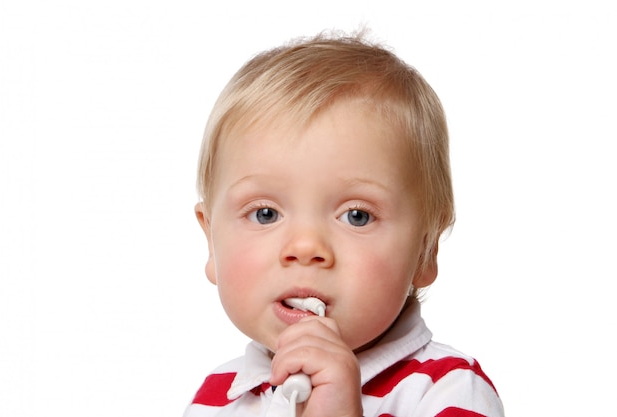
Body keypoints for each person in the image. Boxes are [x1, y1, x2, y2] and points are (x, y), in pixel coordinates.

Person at [183, 31, 505, 417]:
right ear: (211, 243)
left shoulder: (447, 390)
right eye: (265, 213)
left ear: (426, 250)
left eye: (357, 216)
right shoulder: (216, 398)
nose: (305, 247)